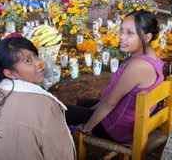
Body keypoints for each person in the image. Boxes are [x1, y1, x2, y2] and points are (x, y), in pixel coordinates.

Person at [0, 37, 75, 160]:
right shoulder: (46, 106)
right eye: (28, 60)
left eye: (35, 56)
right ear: (9, 73)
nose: (38, 62)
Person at [65, 10, 164, 143]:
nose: (122, 37)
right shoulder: (151, 57)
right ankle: (73, 127)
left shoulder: (139, 66)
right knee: (82, 103)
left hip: (117, 128)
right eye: (122, 30)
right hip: (128, 117)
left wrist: (88, 127)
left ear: (147, 37)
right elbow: (109, 99)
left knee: (61, 110)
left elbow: (109, 103)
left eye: (130, 33)